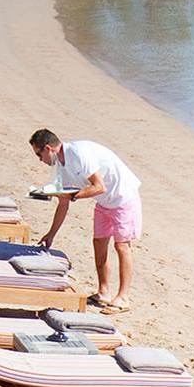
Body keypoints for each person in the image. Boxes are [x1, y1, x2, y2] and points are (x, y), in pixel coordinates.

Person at [29, 128, 142, 313]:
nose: (40, 160)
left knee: (122, 245)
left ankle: (123, 297)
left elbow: (99, 186)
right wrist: (51, 234)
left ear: (48, 149)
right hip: (104, 202)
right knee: (99, 242)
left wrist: (74, 195)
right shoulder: (59, 166)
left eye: (39, 155)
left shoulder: (78, 153)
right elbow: (63, 203)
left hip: (123, 196)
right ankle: (103, 292)